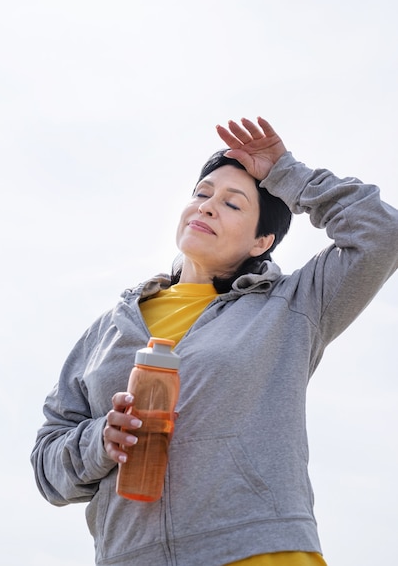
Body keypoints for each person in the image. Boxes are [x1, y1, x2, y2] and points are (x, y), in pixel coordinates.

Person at [31, 116, 398, 566]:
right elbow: (48, 467)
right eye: (202, 194)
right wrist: (100, 441)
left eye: (232, 204)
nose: (206, 207)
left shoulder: (293, 306)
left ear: (262, 241)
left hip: (258, 550)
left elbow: (381, 233)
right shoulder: (108, 330)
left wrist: (285, 173)